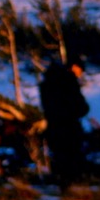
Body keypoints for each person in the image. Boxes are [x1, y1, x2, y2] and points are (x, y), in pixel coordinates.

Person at [38, 57, 89, 185]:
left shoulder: (47, 82)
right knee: (72, 153)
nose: (80, 74)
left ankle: (60, 181)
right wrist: (83, 109)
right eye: (80, 70)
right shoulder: (69, 81)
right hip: (69, 125)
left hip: (53, 124)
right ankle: (74, 182)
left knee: (59, 154)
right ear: (74, 67)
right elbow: (79, 106)